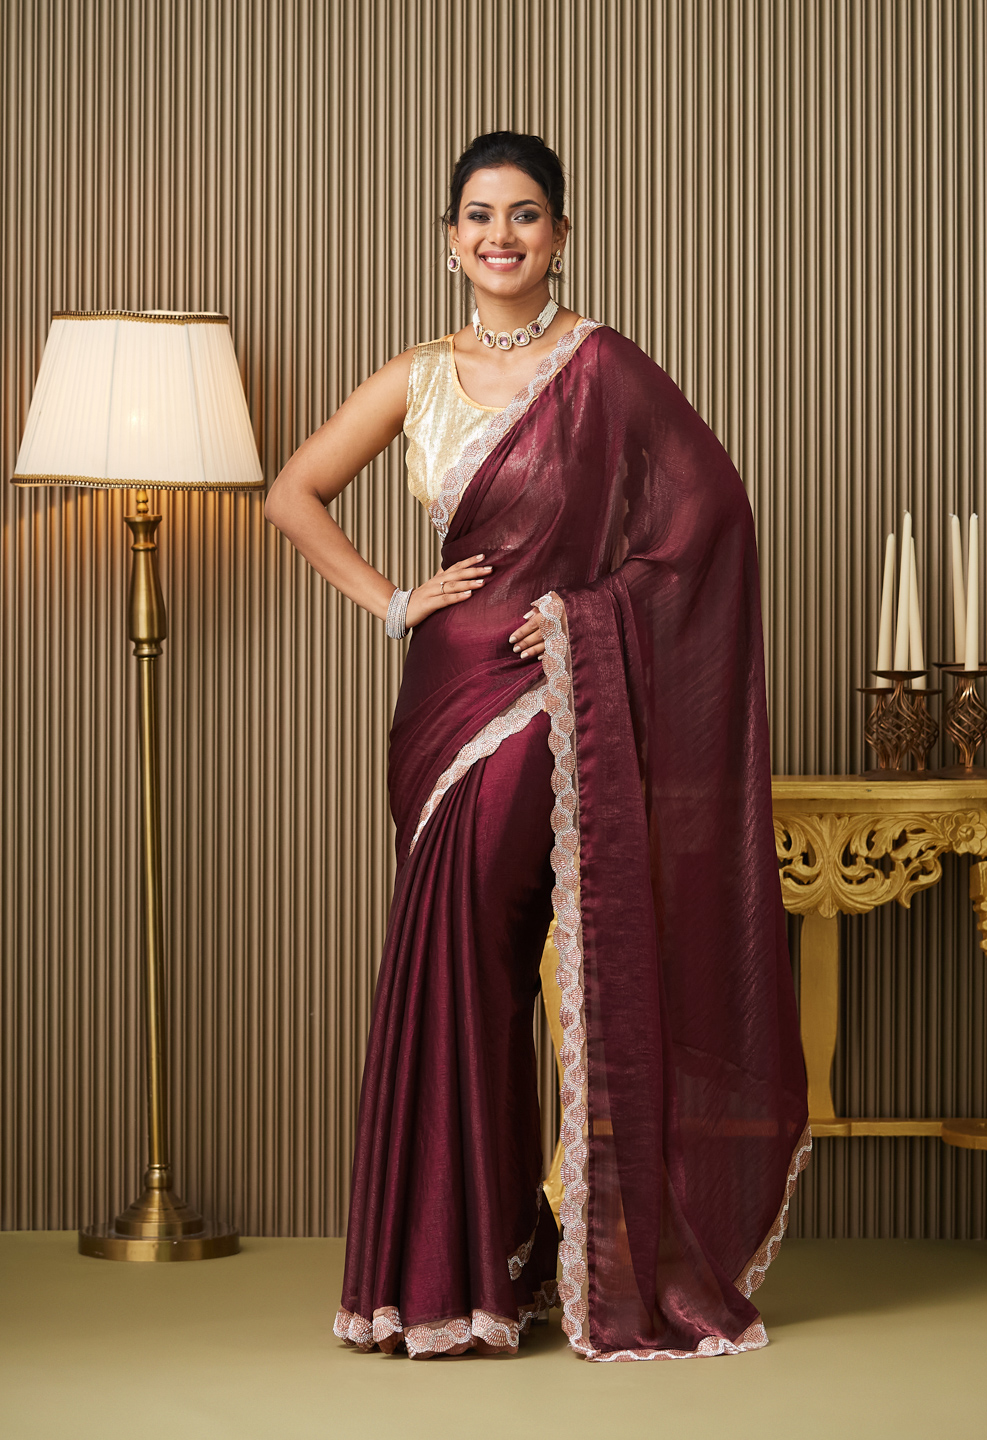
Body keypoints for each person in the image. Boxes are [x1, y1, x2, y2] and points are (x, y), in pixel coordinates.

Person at [264, 130, 809, 1362]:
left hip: (548, 695)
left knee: (478, 956)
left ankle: (483, 1268)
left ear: (560, 234)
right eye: (477, 215)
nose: (498, 235)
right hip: (439, 704)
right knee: (464, 969)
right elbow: (292, 492)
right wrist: (395, 600)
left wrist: (584, 613)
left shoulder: (601, 364)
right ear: (449, 239)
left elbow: (712, 514)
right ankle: (476, 1264)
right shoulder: (418, 374)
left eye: (523, 214)